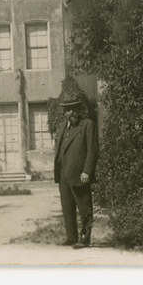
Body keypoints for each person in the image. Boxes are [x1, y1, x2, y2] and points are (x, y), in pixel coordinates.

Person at [53, 95, 99, 249]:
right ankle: (71, 237)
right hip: (63, 175)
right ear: (64, 112)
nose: (71, 112)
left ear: (79, 110)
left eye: (74, 109)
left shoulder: (87, 125)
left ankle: (84, 239)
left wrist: (87, 171)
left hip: (80, 175)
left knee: (85, 208)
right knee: (67, 207)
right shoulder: (62, 126)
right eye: (68, 110)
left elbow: (93, 151)